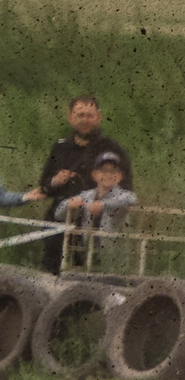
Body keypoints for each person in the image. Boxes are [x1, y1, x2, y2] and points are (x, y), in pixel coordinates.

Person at [36, 97, 134, 274]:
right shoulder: (60, 148)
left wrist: (103, 204)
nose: (85, 120)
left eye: (89, 115)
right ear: (70, 117)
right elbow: (44, 186)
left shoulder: (112, 149)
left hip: (96, 222)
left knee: (92, 274)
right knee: (51, 273)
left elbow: (127, 190)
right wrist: (55, 181)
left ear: (98, 117)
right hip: (61, 220)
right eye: (80, 114)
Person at [52, 151, 138, 270]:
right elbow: (58, 214)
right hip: (88, 255)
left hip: (115, 259)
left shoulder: (125, 195)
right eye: (103, 171)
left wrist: (103, 205)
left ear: (119, 176)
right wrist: (70, 204)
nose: (108, 175)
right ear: (94, 175)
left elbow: (131, 200)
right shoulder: (87, 195)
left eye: (113, 171)